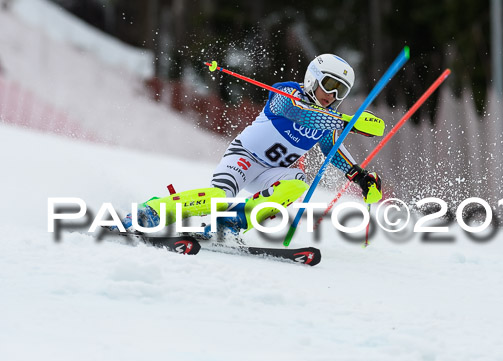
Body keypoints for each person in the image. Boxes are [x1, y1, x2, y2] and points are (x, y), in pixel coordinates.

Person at [121, 54, 385, 236]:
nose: (332, 95)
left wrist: (360, 178)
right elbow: (298, 113)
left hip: (272, 171)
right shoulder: (287, 92)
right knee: (218, 197)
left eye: (341, 91)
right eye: (329, 85)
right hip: (244, 158)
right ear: (313, 78)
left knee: (298, 183)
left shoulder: (328, 122)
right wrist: (347, 121)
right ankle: (152, 210)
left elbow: (332, 150)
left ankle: (233, 222)